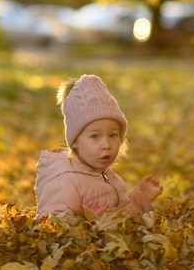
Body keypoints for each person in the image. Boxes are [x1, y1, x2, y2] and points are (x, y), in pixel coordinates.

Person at [35, 74, 162, 222]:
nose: (106, 145)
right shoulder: (65, 182)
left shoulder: (108, 176)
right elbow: (51, 223)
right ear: (75, 141)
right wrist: (88, 219)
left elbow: (120, 216)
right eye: (95, 136)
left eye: (113, 135)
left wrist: (142, 198)